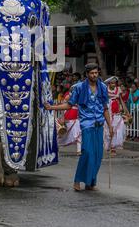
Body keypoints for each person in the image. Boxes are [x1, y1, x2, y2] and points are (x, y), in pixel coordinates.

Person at [45, 63, 113, 192]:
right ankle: (77, 180)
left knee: (98, 155)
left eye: (96, 73)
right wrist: (52, 107)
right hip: (87, 124)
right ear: (87, 74)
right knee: (87, 152)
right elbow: (69, 105)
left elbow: (105, 108)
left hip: (99, 124)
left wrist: (110, 126)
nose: (94, 75)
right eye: (92, 73)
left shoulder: (103, 87)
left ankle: (90, 182)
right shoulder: (79, 88)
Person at [104, 77, 129, 155]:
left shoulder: (118, 90)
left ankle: (113, 148)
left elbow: (121, 100)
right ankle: (109, 145)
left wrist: (126, 110)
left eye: (114, 83)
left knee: (118, 128)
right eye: (111, 83)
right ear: (108, 83)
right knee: (108, 128)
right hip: (108, 110)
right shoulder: (105, 90)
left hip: (117, 111)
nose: (113, 84)